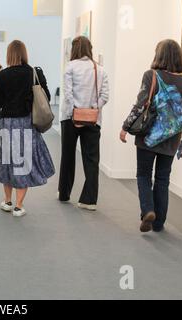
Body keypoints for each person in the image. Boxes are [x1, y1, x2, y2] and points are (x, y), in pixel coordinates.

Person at [120, 39, 182, 233]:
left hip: (148, 137)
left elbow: (140, 104)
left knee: (144, 175)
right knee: (163, 179)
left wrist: (125, 127)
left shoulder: (150, 75)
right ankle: (159, 223)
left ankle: (148, 211)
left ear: (158, 55)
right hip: (171, 139)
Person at [0, 40, 55, 217]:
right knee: (23, 163)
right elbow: (46, 96)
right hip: (26, 122)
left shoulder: (3, 74)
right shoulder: (32, 73)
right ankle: (19, 206)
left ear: (9, 54)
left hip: (7, 123)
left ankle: (7, 201)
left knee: (7, 161)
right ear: (24, 53)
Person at [58, 36, 109, 211]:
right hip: (93, 120)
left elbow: (68, 93)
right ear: (90, 49)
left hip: (70, 118)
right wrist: (92, 109)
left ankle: (64, 193)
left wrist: (76, 112)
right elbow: (105, 95)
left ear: (74, 49)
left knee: (68, 156)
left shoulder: (70, 67)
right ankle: (89, 200)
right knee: (92, 160)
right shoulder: (100, 69)